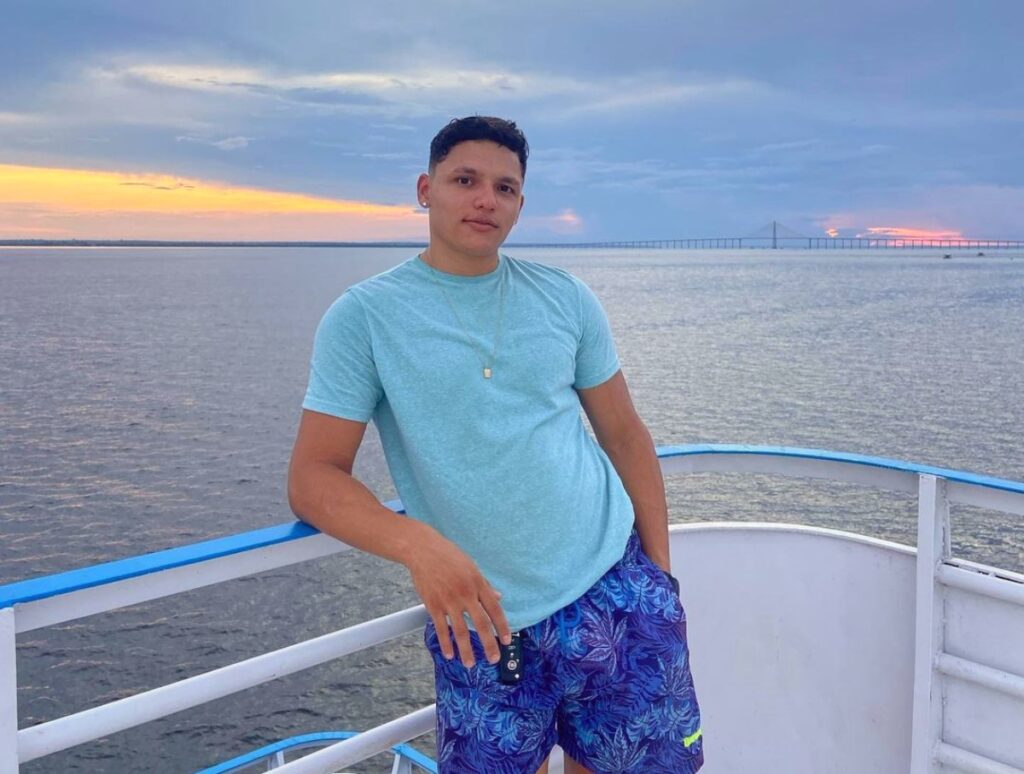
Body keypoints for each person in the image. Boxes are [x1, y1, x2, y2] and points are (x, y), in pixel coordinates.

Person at [288, 116, 702, 773]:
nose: (486, 199)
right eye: (465, 180)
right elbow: (314, 476)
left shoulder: (565, 297)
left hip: (615, 588)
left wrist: (660, 577)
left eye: (505, 188)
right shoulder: (363, 317)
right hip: (480, 618)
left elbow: (624, 434)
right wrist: (420, 547)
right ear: (426, 189)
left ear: (520, 204)